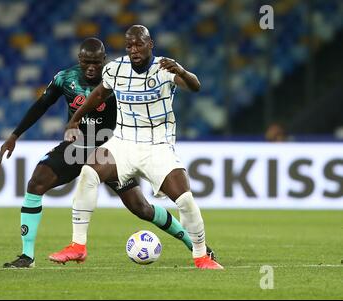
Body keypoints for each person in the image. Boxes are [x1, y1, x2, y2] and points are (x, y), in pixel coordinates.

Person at [0, 38, 215, 268]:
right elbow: (42, 105)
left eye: (96, 63)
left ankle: (194, 245)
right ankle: (27, 256)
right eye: (86, 62)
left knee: (141, 208)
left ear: (104, 60)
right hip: (77, 146)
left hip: (110, 149)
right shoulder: (65, 78)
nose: (91, 67)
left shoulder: (118, 76)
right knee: (36, 184)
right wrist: (15, 135)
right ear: (79, 60)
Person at [58, 27, 223, 269]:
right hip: (123, 143)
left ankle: (200, 256)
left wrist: (182, 71)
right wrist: (74, 120)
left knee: (185, 200)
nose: (133, 50)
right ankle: (78, 246)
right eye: (129, 46)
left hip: (158, 146)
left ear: (150, 44)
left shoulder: (165, 67)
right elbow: (98, 95)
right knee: (89, 173)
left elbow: (195, 86)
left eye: (138, 44)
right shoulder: (115, 69)